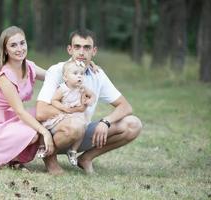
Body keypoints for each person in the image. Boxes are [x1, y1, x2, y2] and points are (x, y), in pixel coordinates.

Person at [36, 29, 142, 175]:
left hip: (79, 135)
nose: (81, 52)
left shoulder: (97, 74)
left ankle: (85, 159)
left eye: (87, 47)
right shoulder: (57, 71)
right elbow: (41, 112)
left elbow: (125, 106)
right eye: (77, 47)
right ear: (69, 49)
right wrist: (73, 112)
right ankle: (50, 159)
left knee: (133, 124)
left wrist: (105, 122)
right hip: (56, 134)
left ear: (94, 51)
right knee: (75, 126)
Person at [0, 26, 54, 168]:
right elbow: (20, 111)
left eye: (22, 43)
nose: (19, 49)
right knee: (34, 134)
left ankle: (15, 159)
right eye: (13, 45)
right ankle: (6, 159)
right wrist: (45, 132)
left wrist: (80, 66)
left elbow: (54, 77)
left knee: (44, 114)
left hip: (10, 116)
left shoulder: (29, 66)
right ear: (5, 50)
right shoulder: (5, 75)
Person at [37, 60, 95, 166]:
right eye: (75, 74)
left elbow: (92, 95)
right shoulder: (62, 88)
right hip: (64, 113)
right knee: (45, 125)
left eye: (81, 74)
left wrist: (90, 100)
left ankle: (73, 150)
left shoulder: (82, 88)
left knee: (81, 128)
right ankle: (42, 146)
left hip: (77, 115)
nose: (79, 77)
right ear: (65, 77)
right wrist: (63, 108)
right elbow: (54, 100)